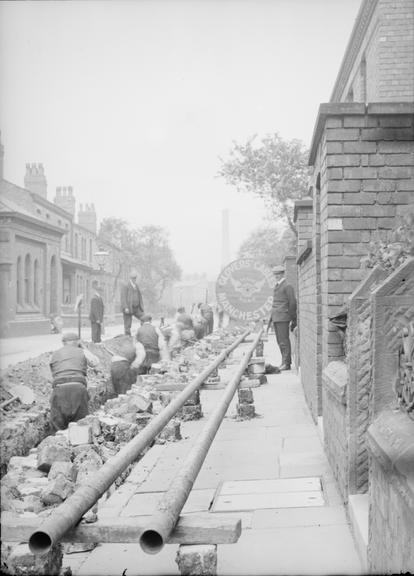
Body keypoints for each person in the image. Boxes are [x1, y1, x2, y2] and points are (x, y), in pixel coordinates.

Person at [49, 332, 99, 431]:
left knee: (58, 426)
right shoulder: (82, 351)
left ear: (63, 343)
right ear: (78, 342)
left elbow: (53, 371)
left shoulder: (54, 354)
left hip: (59, 389)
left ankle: (59, 443)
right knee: (81, 425)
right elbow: (95, 362)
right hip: (78, 388)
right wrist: (83, 347)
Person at [266, 265, 297, 371]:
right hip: (277, 317)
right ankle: (284, 362)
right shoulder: (277, 286)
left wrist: (293, 318)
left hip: (283, 317)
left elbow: (292, 303)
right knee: (280, 341)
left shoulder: (287, 286)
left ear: (283, 274)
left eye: (278, 274)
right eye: (275, 275)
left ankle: (286, 363)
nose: (276, 277)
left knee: (284, 340)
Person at [121, 270, 144, 336]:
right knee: (127, 325)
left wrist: (141, 306)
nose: (134, 279)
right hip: (128, 308)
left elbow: (139, 296)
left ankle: (143, 334)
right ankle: (127, 338)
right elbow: (123, 298)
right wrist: (125, 307)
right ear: (130, 278)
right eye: (133, 278)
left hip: (136, 308)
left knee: (144, 318)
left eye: (135, 278)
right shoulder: (126, 285)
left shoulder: (136, 286)